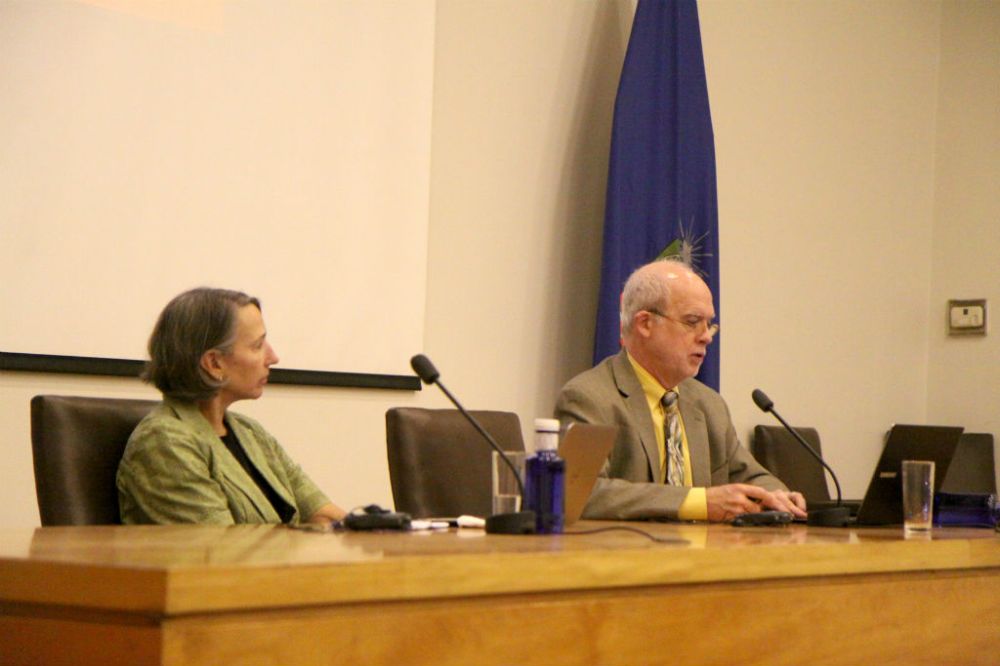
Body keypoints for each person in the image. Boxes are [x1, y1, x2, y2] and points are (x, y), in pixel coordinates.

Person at [555, 259, 807, 522]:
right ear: (645, 324)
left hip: (703, 557)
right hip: (628, 557)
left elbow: (751, 476)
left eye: (709, 324)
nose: (706, 336)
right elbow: (580, 494)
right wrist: (699, 502)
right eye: (693, 321)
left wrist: (776, 495)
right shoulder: (590, 397)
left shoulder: (708, 404)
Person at [117, 287, 346, 525]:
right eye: (257, 346)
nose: (273, 357)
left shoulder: (250, 432)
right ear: (214, 363)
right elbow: (221, 548)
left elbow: (322, 512)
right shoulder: (164, 442)